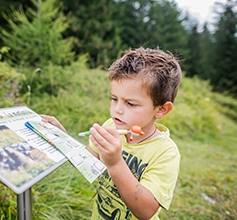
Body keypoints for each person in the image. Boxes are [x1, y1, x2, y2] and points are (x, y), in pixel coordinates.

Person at [41, 47, 182, 220]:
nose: (117, 110)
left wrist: (115, 163)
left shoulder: (165, 152)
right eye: (114, 99)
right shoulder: (112, 126)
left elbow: (146, 211)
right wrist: (63, 138)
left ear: (161, 110)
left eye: (130, 103)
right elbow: (91, 160)